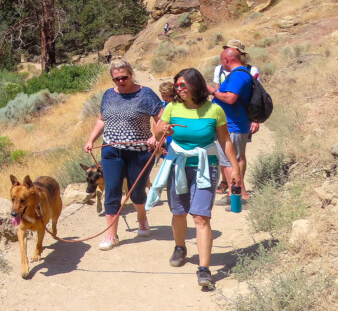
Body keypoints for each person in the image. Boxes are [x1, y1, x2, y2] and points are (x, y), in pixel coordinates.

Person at [150, 67, 241, 290]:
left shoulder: (214, 110)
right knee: (178, 212)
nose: (178, 89)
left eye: (183, 85)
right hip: (177, 165)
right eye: (176, 85)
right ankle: (180, 247)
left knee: (201, 217)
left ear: (195, 86)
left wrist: (235, 169)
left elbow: (225, 141)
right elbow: (157, 135)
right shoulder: (171, 107)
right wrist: (165, 131)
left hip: (205, 166)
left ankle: (204, 269)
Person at [84, 58, 163, 250]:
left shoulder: (146, 94)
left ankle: (142, 219)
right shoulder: (108, 95)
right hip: (111, 150)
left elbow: (161, 118)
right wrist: (91, 139)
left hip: (139, 151)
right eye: (116, 79)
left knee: (136, 191)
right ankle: (112, 235)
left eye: (124, 77)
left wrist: (156, 137)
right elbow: (102, 120)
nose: (120, 81)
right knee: (112, 190)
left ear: (131, 74)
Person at [209, 41, 255, 198]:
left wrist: (212, 92)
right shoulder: (242, 73)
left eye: (222, 60)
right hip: (235, 124)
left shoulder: (237, 76)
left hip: (233, 125)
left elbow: (230, 98)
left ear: (226, 60)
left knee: (229, 162)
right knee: (233, 159)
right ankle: (235, 194)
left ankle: (238, 196)